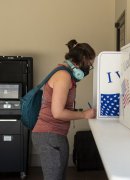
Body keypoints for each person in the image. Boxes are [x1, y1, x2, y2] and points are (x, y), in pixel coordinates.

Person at [32, 39, 96, 180]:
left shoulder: (65, 74)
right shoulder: (63, 76)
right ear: (82, 60)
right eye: (89, 65)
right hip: (49, 135)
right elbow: (58, 112)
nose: (89, 69)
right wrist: (84, 114)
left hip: (53, 134)